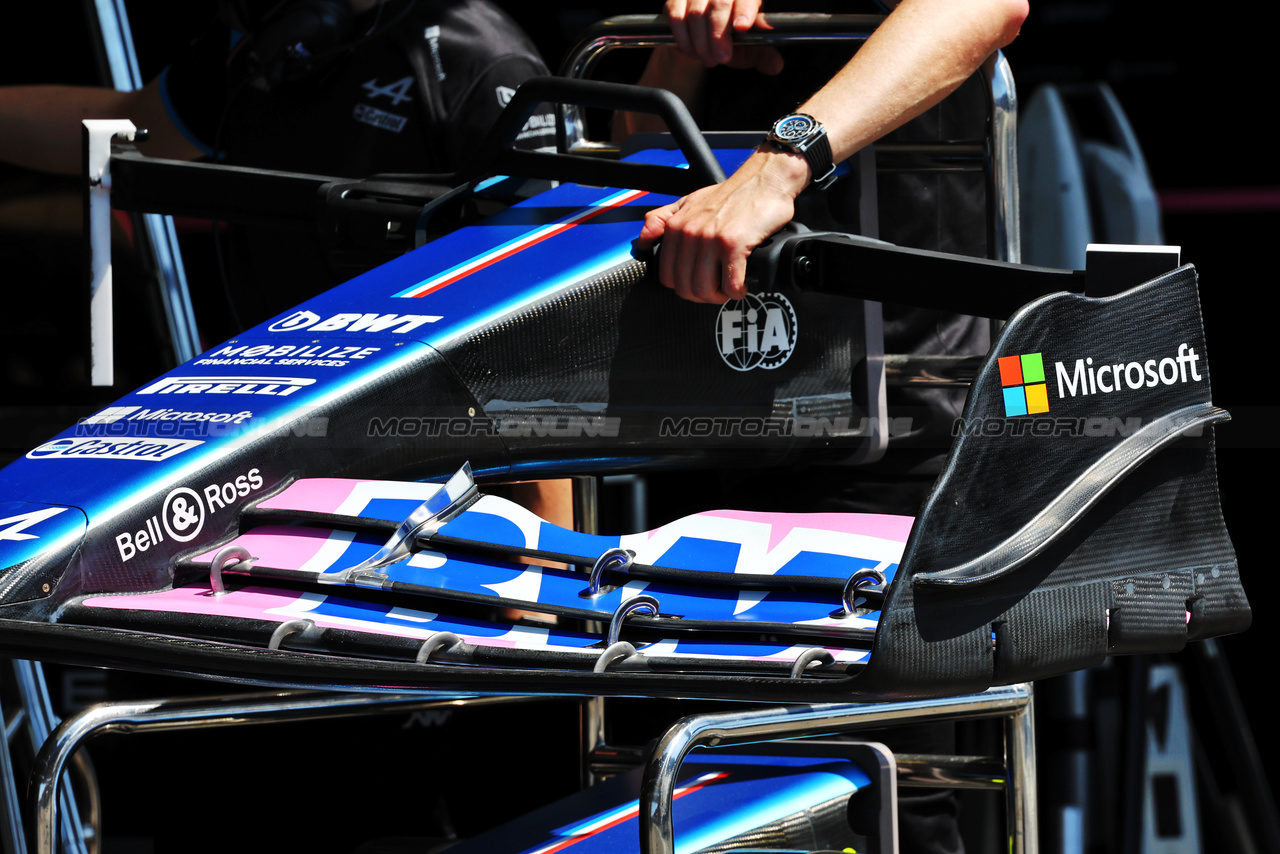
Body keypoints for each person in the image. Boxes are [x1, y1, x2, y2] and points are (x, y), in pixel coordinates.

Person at [633, 0, 1028, 304]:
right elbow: (632, 153)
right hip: (705, 314)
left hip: (911, 341)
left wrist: (772, 173)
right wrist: (690, 40)